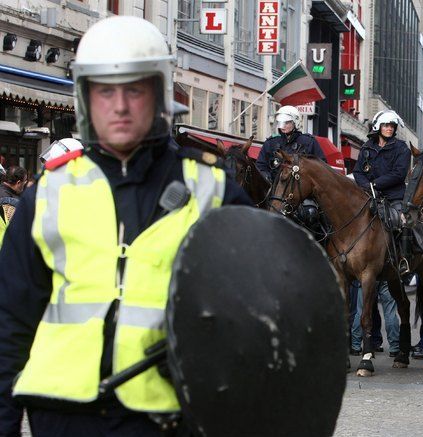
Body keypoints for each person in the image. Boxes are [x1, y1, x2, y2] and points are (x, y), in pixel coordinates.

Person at [0, 16, 250, 437]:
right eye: (104, 90)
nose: (119, 106)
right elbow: (10, 319)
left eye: (134, 89)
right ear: (85, 98)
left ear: (159, 95)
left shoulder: (212, 191)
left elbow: (261, 310)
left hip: (165, 416)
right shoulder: (48, 193)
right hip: (61, 413)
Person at [353, 109, 412, 272]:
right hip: (368, 196)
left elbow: (399, 174)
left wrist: (374, 184)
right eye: (386, 125)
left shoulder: (402, 148)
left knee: (403, 222)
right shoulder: (366, 147)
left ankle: (403, 260)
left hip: (394, 198)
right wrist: (366, 186)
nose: (390, 129)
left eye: (392, 126)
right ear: (379, 126)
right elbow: (358, 171)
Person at [255, 105, 325, 183]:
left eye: (286, 123)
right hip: (274, 190)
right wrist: (267, 178)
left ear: (295, 122)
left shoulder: (308, 142)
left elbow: (321, 167)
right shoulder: (271, 143)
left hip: (301, 190)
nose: (283, 126)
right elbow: (260, 166)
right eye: (280, 122)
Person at [0, 166, 27, 247]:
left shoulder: (5, 192)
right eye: (24, 181)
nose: (25, 184)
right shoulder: (7, 199)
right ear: (18, 183)